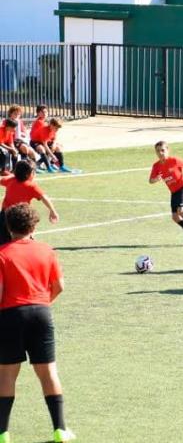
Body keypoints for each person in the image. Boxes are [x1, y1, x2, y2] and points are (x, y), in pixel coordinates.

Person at [0, 204, 76, 443]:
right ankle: (60, 430)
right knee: (48, 372)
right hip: (41, 313)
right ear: (33, 226)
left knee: (6, 374)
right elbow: (59, 286)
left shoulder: (2, 253)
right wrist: (43, 303)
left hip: (10, 316)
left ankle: (3, 433)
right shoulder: (47, 250)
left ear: (8, 227)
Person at [0, 161, 60, 245]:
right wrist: (52, 211)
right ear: (29, 174)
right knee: (23, 239)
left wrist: (11, 176)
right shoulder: (31, 186)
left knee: (3, 241)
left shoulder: (10, 180)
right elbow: (44, 198)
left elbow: (1, 180)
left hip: (4, 216)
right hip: (21, 217)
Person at [28, 106, 54, 173]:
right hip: (35, 142)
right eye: (42, 112)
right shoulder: (39, 122)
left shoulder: (45, 122)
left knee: (54, 147)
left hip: (42, 141)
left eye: (46, 111)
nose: (44, 113)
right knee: (42, 149)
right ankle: (49, 167)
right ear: (38, 113)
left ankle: (39, 164)